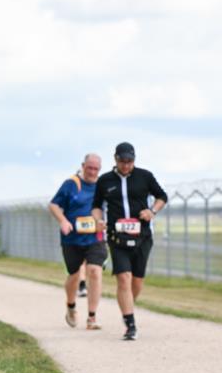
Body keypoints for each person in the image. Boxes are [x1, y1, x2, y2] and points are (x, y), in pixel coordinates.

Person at [91, 142, 168, 341]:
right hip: (117, 236)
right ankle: (130, 323)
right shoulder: (105, 180)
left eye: (130, 161)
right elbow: (97, 206)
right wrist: (98, 220)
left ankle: (127, 305)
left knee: (137, 280)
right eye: (122, 161)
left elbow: (162, 196)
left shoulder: (145, 176)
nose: (126, 165)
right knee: (123, 277)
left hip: (142, 235)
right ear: (115, 159)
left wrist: (152, 211)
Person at [49, 154, 107, 330]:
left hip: (95, 237)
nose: (92, 172)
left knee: (95, 271)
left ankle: (92, 317)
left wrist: (105, 222)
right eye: (89, 168)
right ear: (83, 166)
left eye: (96, 169)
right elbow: (53, 205)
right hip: (72, 238)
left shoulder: (103, 186)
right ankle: (71, 306)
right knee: (74, 275)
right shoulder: (71, 184)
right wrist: (63, 221)